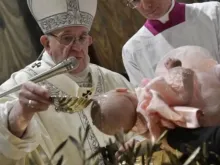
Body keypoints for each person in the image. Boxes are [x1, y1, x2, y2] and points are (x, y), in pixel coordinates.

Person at [0, 0, 134, 164]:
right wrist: (21, 113)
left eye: (82, 37)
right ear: (46, 43)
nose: (77, 47)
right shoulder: (23, 84)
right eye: (67, 38)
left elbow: (142, 132)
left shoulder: (113, 79)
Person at [122, 0, 220, 86]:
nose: (147, 5)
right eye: (136, 0)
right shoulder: (132, 50)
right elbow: (144, 98)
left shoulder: (213, 13)